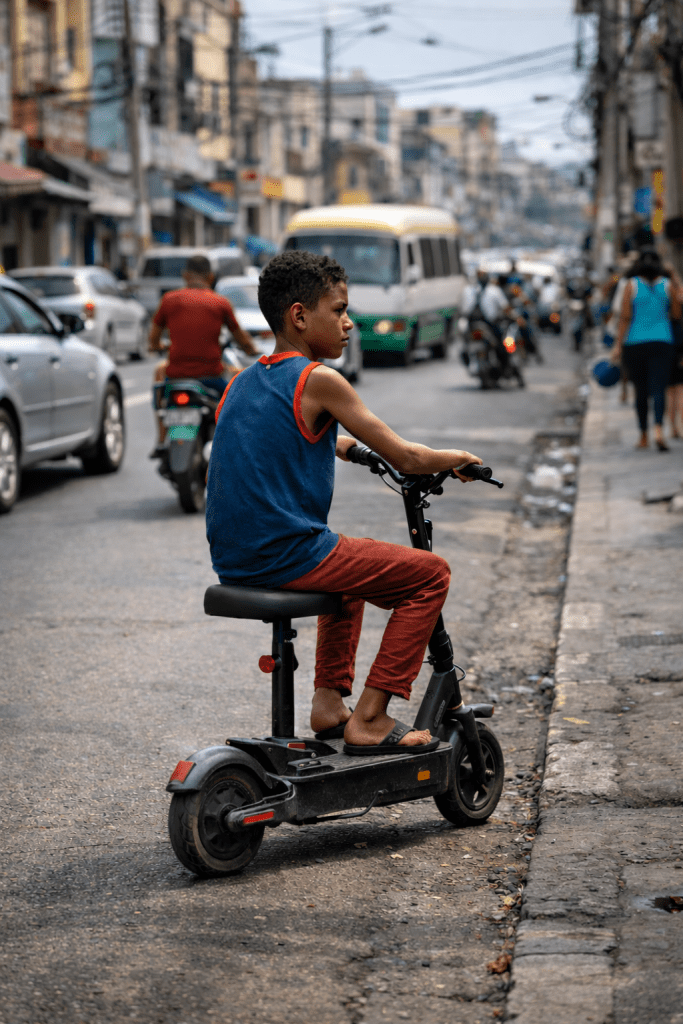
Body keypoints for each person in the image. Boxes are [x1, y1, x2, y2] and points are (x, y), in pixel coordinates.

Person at [206, 251, 483, 753]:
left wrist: (350, 449)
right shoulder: (320, 380)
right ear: (299, 316)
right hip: (289, 554)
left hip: (235, 560)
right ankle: (371, 718)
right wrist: (456, 458)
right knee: (430, 573)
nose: (349, 322)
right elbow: (408, 454)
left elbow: (281, 433)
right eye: (338, 310)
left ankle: (330, 704)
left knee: (350, 574)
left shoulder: (241, 384)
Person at [148, 254, 258, 453]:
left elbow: (153, 339)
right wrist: (251, 349)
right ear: (210, 277)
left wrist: (158, 346)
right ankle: (232, 447)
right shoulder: (220, 303)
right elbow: (241, 338)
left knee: (160, 392)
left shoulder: (169, 300)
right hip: (211, 377)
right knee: (234, 404)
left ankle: (161, 439)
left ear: (185, 275)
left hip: (176, 377)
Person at [612, 248, 681, 451]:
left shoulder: (631, 286)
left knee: (641, 391)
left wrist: (617, 345)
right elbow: (676, 315)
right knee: (659, 388)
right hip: (663, 341)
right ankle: (659, 431)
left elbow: (625, 317)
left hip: (634, 343)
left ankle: (643, 435)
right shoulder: (667, 285)